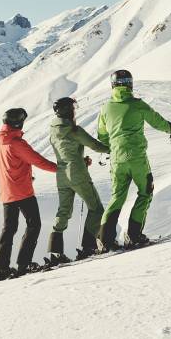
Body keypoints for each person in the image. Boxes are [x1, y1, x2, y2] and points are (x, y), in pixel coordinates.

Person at [97, 70, 171, 249]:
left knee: (117, 197)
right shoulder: (138, 105)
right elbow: (157, 121)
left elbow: (103, 136)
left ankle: (104, 239)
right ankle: (134, 235)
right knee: (145, 192)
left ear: (113, 85)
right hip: (136, 159)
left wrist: (114, 149)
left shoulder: (105, 108)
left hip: (117, 159)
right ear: (130, 84)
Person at [0, 107, 58, 281]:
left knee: (9, 229)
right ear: (18, 123)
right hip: (22, 191)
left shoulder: (1, 140)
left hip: (7, 191)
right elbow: (38, 160)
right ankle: (24, 264)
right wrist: (60, 169)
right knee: (34, 224)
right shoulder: (17, 143)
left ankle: (1, 269)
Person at [47, 97, 109, 264]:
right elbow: (95, 145)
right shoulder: (74, 130)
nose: (75, 111)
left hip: (61, 175)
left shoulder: (53, 131)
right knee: (96, 209)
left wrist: (80, 159)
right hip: (78, 175)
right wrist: (114, 148)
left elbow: (65, 152)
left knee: (64, 211)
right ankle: (88, 247)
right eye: (73, 108)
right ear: (68, 111)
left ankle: (55, 252)